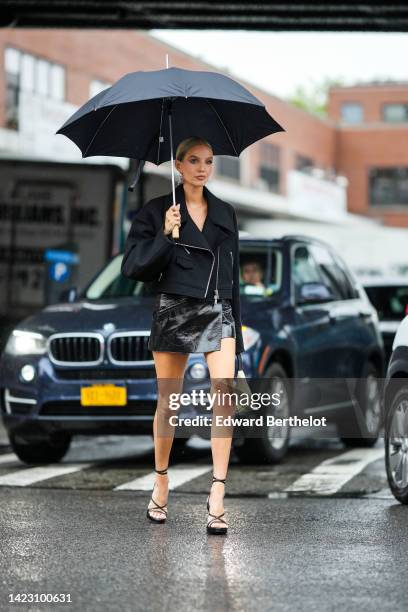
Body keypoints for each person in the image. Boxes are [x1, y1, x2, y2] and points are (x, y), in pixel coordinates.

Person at [121, 136, 245, 535]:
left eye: (208, 161)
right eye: (193, 160)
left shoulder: (226, 213)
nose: (202, 167)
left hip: (216, 306)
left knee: (223, 396)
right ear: (178, 166)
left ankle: (218, 492)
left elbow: (234, 280)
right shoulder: (156, 211)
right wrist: (165, 235)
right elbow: (133, 268)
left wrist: (237, 346)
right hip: (173, 306)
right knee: (168, 404)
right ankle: (161, 480)